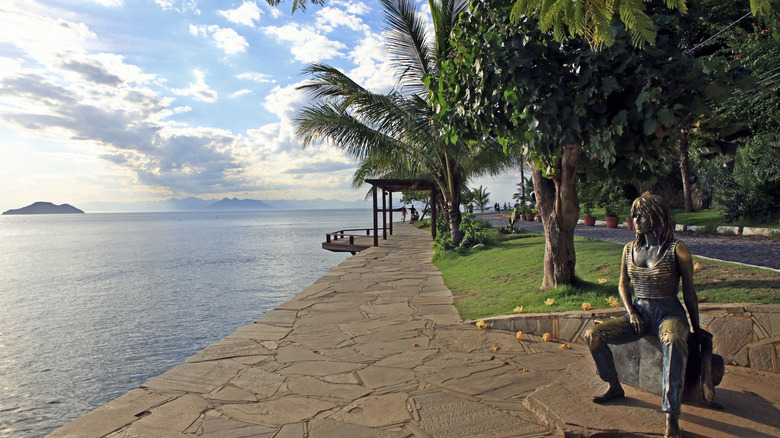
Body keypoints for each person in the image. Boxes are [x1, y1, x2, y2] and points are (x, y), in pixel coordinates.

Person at [583, 194, 700, 438]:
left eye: (642, 215)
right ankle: (614, 386)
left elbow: (689, 292)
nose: (636, 219)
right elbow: (622, 285)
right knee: (593, 335)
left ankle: (672, 416)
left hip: (669, 313)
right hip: (640, 312)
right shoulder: (629, 249)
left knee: (673, 340)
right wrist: (631, 311)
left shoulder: (677, 250)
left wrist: (695, 329)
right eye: (634, 214)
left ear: (656, 218)